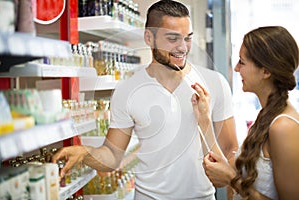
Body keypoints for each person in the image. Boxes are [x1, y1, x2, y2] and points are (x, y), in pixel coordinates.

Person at [53, 0, 238, 199]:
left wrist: (232, 191)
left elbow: (230, 149)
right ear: (149, 38)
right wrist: (85, 153)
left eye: (187, 38)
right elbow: (112, 155)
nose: (183, 47)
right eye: (172, 39)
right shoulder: (128, 89)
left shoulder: (214, 82)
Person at [198, 26, 299, 200]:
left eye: (242, 62)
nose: (236, 69)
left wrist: (232, 179)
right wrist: (205, 120)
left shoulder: (283, 127)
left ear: (266, 71)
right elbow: (233, 172)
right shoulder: (265, 115)